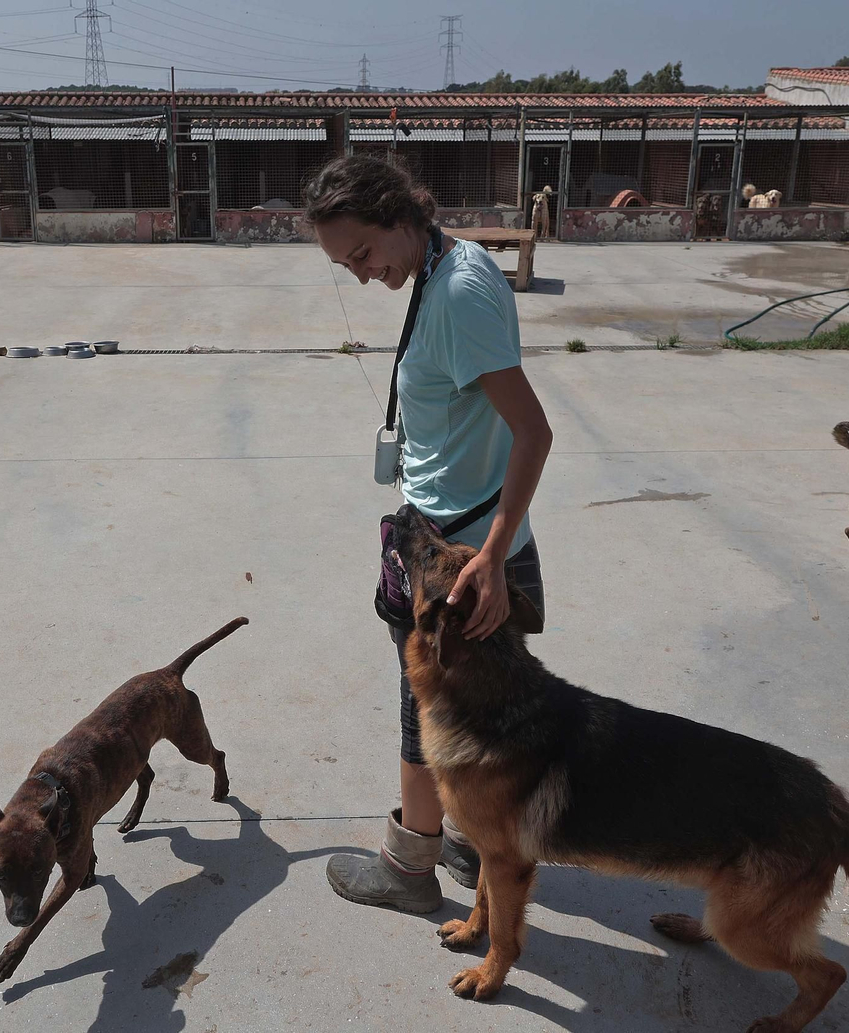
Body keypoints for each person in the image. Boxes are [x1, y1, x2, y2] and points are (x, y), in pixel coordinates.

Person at [303, 155, 553, 913]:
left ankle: (409, 867)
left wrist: (492, 555)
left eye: (362, 254)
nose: (361, 273)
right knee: (476, 711)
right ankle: (466, 839)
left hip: (462, 557)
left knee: (431, 711)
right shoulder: (448, 264)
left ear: (398, 214)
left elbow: (533, 433)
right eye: (346, 264)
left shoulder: (461, 293)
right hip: (448, 535)